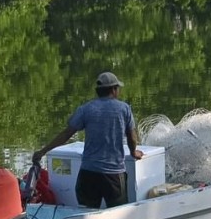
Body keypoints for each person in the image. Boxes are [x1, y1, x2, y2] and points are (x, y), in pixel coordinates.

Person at [32, 71, 143, 209]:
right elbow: (132, 136)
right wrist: (133, 152)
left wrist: (43, 151)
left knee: (86, 215)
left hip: (89, 173)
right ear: (114, 90)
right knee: (118, 214)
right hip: (114, 174)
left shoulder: (86, 109)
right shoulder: (124, 109)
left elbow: (66, 134)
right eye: (117, 88)